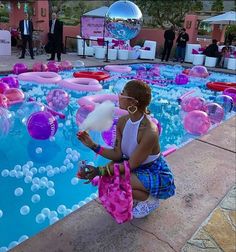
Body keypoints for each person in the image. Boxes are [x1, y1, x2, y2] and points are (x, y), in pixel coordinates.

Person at [77, 80, 176, 219]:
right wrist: (92, 145)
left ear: (133, 102)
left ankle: (150, 200)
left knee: (117, 178)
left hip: (154, 172)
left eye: (123, 93)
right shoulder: (123, 122)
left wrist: (99, 171)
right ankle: (139, 192)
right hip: (136, 167)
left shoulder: (149, 131)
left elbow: (131, 165)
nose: (119, 96)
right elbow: (117, 155)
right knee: (110, 174)